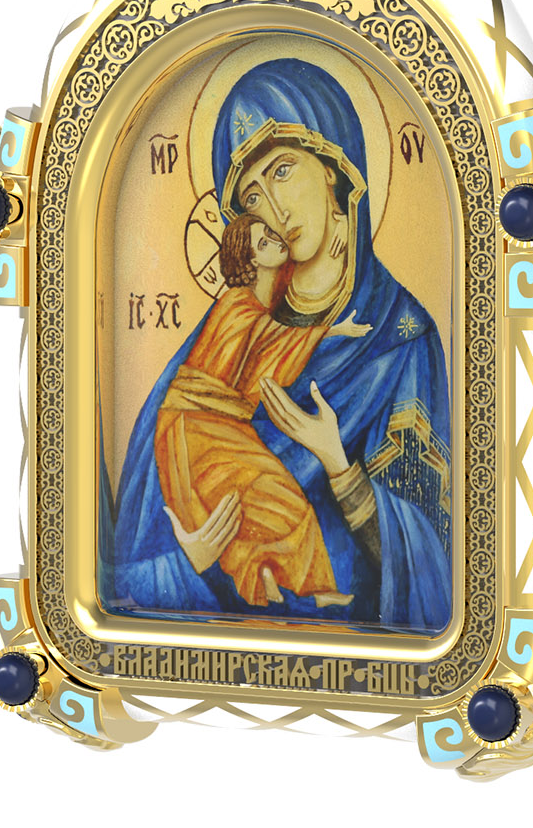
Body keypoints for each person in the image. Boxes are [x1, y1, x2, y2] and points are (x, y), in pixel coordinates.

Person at [110, 58, 451, 633]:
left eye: (283, 170)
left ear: (336, 167)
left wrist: (338, 465)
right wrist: (189, 561)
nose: (273, 207)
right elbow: (125, 574)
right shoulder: (218, 341)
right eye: (251, 197)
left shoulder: (399, 341)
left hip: (355, 660)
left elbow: (436, 568)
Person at [154, 212, 369, 607]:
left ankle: (267, 576)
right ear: (250, 259)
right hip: (197, 427)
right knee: (278, 499)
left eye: (271, 235)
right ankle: (306, 586)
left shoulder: (260, 307)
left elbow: (265, 351)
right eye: (264, 241)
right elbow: (272, 341)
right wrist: (331, 331)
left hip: (222, 424)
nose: (275, 240)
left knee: (256, 508)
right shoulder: (237, 304)